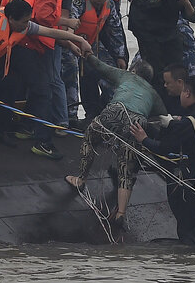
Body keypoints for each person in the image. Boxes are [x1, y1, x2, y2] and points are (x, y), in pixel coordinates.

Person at [0, 0, 91, 150]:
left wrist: (78, 40)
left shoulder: (22, 26)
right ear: (12, 19)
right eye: (25, 21)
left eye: (28, 21)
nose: (27, 25)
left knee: (10, 83)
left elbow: (50, 31)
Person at [64, 54, 166, 227]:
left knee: (90, 136)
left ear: (134, 71)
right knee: (126, 164)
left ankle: (80, 180)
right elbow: (162, 114)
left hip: (116, 111)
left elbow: (102, 67)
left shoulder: (127, 75)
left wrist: (87, 54)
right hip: (138, 122)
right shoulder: (153, 93)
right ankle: (120, 213)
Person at [130, 75, 195, 245]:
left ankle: (188, 256)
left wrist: (143, 138)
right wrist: (175, 123)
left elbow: (164, 148)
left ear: (187, 93)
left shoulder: (188, 123)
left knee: (187, 226)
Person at [16, 0, 81, 159]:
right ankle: (43, 140)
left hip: (31, 45)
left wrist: (70, 43)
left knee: (38, 90)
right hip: (27, 45)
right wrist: (67, 22)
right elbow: (43, 18)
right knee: (43, 91)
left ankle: (27, 127)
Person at [129, 0, 195, 94]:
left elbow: (194, 16)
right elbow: (144, 2)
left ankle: (175, 98)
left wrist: (186, 3)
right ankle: (157, 98)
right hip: (144, 23)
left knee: (177, 62)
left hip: (167, 25)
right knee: (154, 63)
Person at [70, 0, 127, 120]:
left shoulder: (109, 4)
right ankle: (73, 116)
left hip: (92, 43)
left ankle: (108, 113)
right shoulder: (79, 0)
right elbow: (70, 23)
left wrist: (120, 55)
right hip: (71, 43)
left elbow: (115, 30)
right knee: (76, 77)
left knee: (110, 74)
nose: (99, 0)